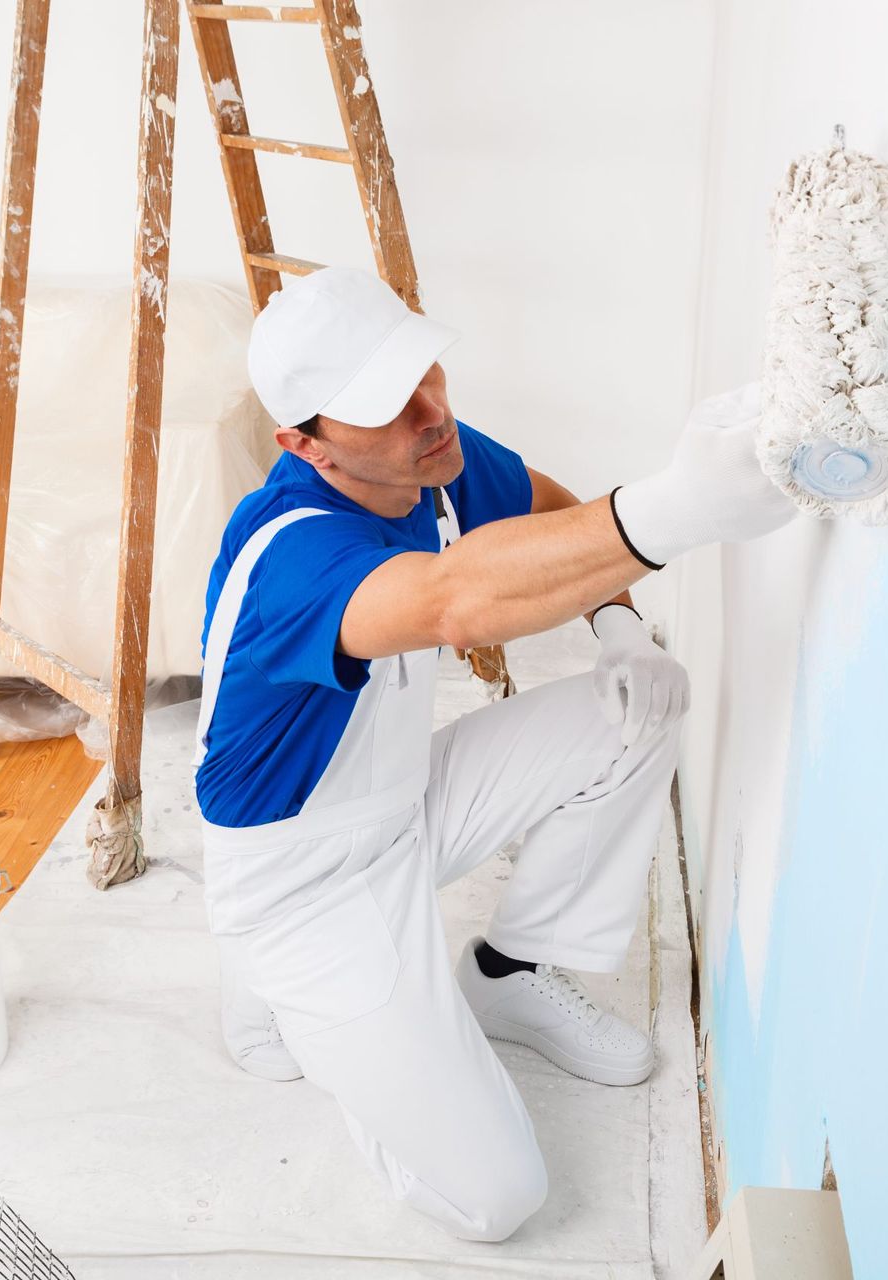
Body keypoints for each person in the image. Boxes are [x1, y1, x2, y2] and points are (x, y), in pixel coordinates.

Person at [194, 266, 792, 1242]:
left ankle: (510, 971)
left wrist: (618, 622)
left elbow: (546, 508)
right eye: (387, 405)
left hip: (402, 805)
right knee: (500, 1195)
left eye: (426, 372)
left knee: (645, 700)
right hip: (303, 886)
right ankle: (305, 1006)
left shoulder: (423, 454)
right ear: (303, 442)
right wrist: (677, 509)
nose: (431, 412)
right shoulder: (291, 555)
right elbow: (453, 600)